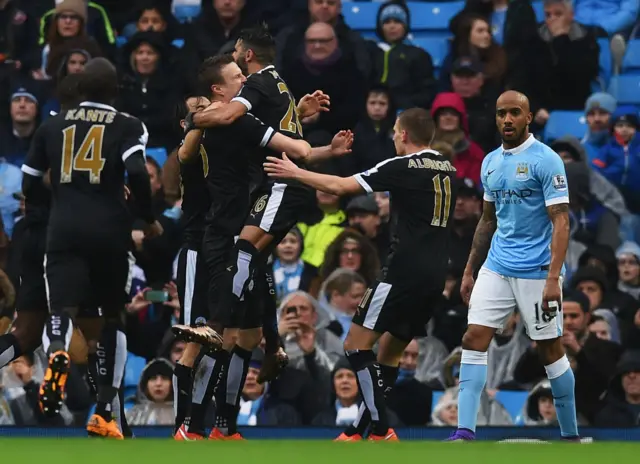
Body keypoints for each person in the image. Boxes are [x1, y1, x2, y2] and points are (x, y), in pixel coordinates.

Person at [177, 25, 349, 440]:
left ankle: (224, 422)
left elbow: (292, 145)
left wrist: (304, 129)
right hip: (208, 237)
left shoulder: (243, 115)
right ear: (221, 91)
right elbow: (185, 155)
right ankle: (188, 425)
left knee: (244, 329)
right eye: (235, 76)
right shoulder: (216, 123)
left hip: (248, 216)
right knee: (209, 337)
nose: (240, 71)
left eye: (240, 66)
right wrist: (193, 120)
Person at [264, 107, 458, 441]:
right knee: (390, 354)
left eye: (396, 132)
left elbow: (340, 186)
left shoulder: (402, 165)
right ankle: (358, 429)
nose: (394, 137)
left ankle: (381, 430)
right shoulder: (447, 167)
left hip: (402, 271)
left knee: (356, 346)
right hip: (435, 274)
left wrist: (295, 173)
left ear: (404, 135)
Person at [20, 57, 163, 439]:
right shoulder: (129, 125)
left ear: (80, 89)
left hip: (63, 228)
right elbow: (136, 172)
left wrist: (53, 202)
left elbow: (30, 179)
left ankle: (56, 353)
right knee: (113, 316)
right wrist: (146, 218)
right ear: (115, 91)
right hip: (110, 231)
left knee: (61, 308)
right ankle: (103, 410)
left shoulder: (52, 125)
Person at [447, 90, 578, 441]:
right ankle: (464, 431)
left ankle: (570, 434)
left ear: (528, 117)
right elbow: (488, 220)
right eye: (502, 113)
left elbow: (561, 222)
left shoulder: (546, 160)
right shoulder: (490, 162)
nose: (507, 119)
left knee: (550, 348)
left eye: (515, 113)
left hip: (537, 270)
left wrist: (554, 278)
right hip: (498, 264)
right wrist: (469, 269)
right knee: (473, 337)